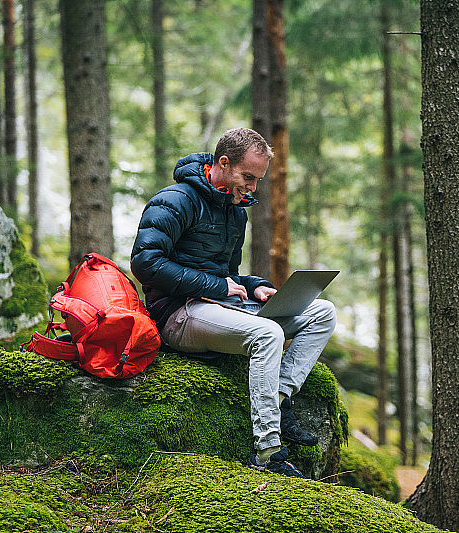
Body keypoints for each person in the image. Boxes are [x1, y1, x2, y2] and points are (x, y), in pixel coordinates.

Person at [130, 127, 336, 478]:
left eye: (258, 180)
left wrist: (255, 287)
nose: (252, 187)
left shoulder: (235, 211)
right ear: (223, 163)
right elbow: (145, 263)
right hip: (178, 315)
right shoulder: (175, 199)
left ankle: (279, 399)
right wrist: (216, 285)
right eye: (248, 177)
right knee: (268, 334)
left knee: (322, 312)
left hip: (220, 309)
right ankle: (268, 452)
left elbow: (228, 275)